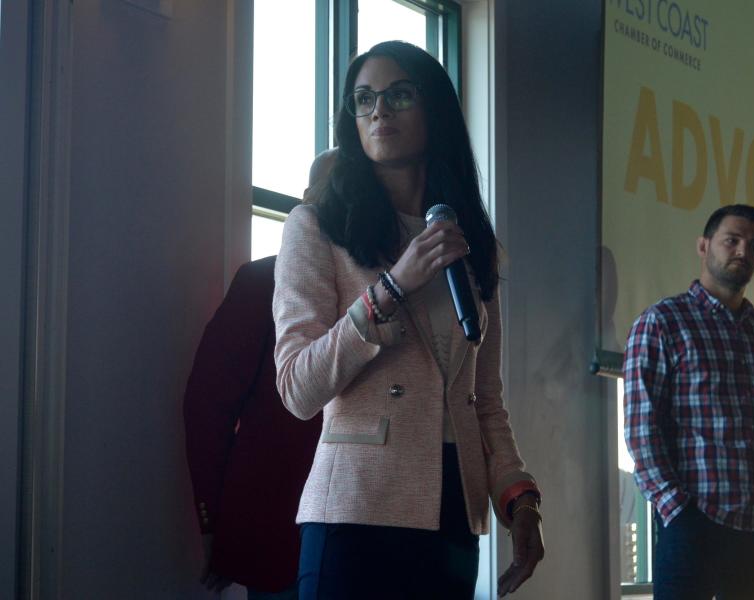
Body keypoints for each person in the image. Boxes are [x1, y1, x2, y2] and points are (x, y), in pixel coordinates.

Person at [273, 41, 544, 599]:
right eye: (364, 98)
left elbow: (484, 400)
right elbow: (298, 387)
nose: (379, 110)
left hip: (449, 513)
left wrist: (520, 500)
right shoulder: (316, 228)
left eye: (399, 94)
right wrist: (389, 290)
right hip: (354, 509)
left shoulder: (471, 245)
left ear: (435, 111)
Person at [623, 204, 754, 599]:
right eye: (732, 240)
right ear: (704, 246)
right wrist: (680, 514)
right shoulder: (662, 322)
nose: (744, 250)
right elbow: (642, 432)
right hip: (698, 526)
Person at [182, 151, 335, 598]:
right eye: (335, 191)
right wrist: (215, 522)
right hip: (277, 533)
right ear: (306, 201)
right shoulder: (261, 282)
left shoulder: (380, 288)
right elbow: (207, 408)